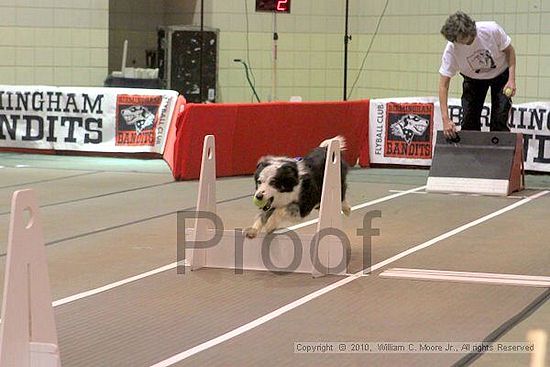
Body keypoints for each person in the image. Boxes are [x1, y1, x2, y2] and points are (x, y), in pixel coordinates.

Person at [438, 11, 516, 140]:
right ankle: (470, 158)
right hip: (472, 79)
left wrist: (511, 80)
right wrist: (445, 119)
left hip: (500, 75)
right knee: (469, 120)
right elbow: (443, 85)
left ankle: (499, 158)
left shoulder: (491, 29)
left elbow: (510, 51)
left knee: (499, 119)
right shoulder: (451, 49)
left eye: (469, 38)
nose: (467, 42)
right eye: (462, 41)